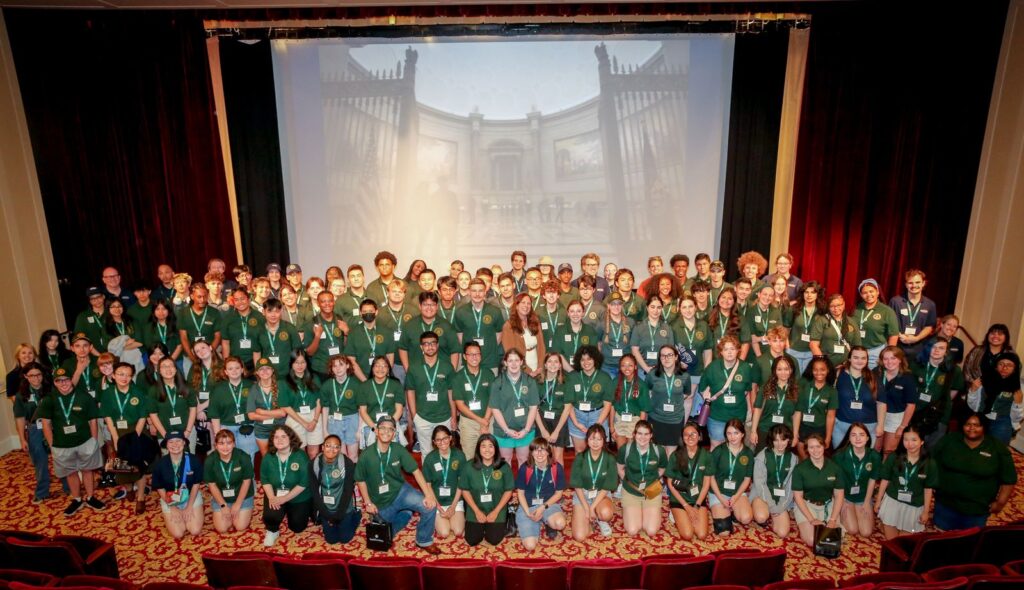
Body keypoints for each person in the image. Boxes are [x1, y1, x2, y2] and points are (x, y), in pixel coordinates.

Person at [355, 416, 440, 554]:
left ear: (394, 434)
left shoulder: (398, 449)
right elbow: (360, 480)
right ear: (376, 431)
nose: (386, 432)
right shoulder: (366, 455)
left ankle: (423, 540)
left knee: (430, 506)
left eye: (390, 429)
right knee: (383, 535)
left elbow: (416, 471)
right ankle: (406, 512)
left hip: (401, 492)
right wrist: (368, 502)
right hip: (380, 502)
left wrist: (429, 495)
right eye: (382, 428)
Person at [932, 413, 1017, 530]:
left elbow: (1009, 479)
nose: (972, 428)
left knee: (969, 541)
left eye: (977, 425)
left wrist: (1000, 503)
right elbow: (931, 463)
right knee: (940, 537)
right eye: (968, 424)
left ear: (984, 428)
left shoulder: (997, 448)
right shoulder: (949, 440)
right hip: (946, 504)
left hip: (976, 509)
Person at [100, 362, 151, 505]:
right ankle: (129, 489)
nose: (125, 378)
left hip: (137, 431)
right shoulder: (108, 394)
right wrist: (115, 437)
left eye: (128, 375)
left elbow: (143, 416)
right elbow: (108, 417)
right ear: (114, 375)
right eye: (121, 374)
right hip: (118, 431)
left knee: (138, 464)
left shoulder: (138, 392)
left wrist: (134, 438)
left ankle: (140, 497)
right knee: (121, 464)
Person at [876, 424, 937, 539]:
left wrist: (925, 511)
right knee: (892, 542)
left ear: (922, 441)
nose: (909, 444)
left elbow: (928, 489)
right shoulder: (894, 457)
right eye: (906, 440)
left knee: (903, 544)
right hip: (893, 502)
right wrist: (878, 501)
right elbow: (885, 480)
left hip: (914, 506)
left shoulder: (930, 463)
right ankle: (885, 524)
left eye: (914, 440)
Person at [405, 331, 457, 454]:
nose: (430, 347)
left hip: (445, 417)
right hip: (423, 417)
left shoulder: (447, 366)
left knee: (446, 451)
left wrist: (453, 415)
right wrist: (414, 416)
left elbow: (451, 392)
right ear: (421, 347)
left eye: (433, 343)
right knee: (426, 453)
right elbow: (410, 392)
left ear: (437, 345)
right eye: (426, 344)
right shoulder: (414, 367)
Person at [260, 425, 312, 546]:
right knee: (271, 516)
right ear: (272, 440)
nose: (280, 440)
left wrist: (284, 499)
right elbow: (264, 479)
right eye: (276, 437)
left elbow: (303, 483)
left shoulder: (301, 456)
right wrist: (272, 498)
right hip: (276, 494)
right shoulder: (268, 457)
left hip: (299, 496)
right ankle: (272, 531)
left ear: (291, 438)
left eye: (284, 436)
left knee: (297, 527)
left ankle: (293, 510)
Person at [791, 433, 845, 546]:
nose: (815, 450)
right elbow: (798, 497)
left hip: (828, 505)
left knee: (834, 538)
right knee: (812, 540)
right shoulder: (799, 469)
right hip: (807, 505)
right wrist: (811, 519)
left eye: (818, 446)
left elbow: (839, 495)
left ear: (824, 447)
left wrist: (833, 519)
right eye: (811, 447)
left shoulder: (835, 468)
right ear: (806, 449)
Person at [699, 336, 754, 447]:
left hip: (738, 416)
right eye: (726, 349)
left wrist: (750, 411)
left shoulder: (746, 368)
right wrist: (707, 398)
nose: (729, 352)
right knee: (716, 446)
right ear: (721, 352)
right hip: (717, 416)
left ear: (738, 350)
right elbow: (702, 388)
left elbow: (747, 391)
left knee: (735, 446)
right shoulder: (712, 367)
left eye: (732, 349)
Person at [910, 337, 965, 449]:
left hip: (940, 415)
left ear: (946, 352)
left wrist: (939, 402)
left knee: (933, 449)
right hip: (916, 412)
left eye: (941, 348)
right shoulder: (917, 365)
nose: (936, 350)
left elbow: (954, 390)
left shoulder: (954, 370)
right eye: (933, 347)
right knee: (914, 447)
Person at [515, 437, 568, 549]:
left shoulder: (556, 468)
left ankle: (546, 520)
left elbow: (558, 494)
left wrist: (542, 507)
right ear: (531, 452)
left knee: (560, 523)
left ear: (548, 452)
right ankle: (540, 521)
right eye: (536, 450)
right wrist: (528, 513)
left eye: (543, 449)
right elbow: (520, 493)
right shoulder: (525, 468)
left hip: (548, 504)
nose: (539, 453)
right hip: (528, 506)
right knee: (530, 546)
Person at [489, 348, 540, 464]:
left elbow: (533, 408)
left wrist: (526, 430)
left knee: (524, 461)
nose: (513, 364)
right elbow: (495, 409)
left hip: (525, 431)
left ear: (522, 362)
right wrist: (507, 430)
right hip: (503, 432)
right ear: (505, 363)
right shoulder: (497, 382)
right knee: (505, 462)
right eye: (510, 360)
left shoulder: (530, 381)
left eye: (517, 360)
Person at [616, 420, 667, 537]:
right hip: (631, 492)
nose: (642, 437)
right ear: (634, 434)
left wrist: (651, 481)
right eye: (639, 433)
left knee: (651, 531)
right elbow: (620, 469)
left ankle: (644, 511)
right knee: (633, 530)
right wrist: (630, 482)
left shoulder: (659, 451)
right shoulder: (626, 449)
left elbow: (662, 469)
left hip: (652, 492)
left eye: (646, 434)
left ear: (651, 435)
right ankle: (634, 510)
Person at [151, 431, 204, 538]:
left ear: (184, 443)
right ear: (166, 445)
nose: (175, 445)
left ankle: (191, 511)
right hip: (169, 497)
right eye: (171, 442)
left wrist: (189, 507)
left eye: (178, 441)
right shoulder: (160, 464)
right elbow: (160, 488)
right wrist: (172, 507)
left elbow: (196, 484)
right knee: (178, 533)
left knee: (195, 530)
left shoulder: (194, 460)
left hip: (190, 496)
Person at [834, 422, 882, 538]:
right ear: (849, 438)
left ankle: (861, 510)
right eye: (853, 435)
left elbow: (872, 480)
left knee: (866, 532)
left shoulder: (874, 456)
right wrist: (842, 501)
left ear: (867, 438)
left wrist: (866, 502)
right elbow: (836, 482)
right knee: (852, 529)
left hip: (863, 497)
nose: (858, 438)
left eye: (861, 434)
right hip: (846, 497)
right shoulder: (840, 456)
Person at [310, 434, 360, 544]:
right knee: (331, 540)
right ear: (322, 447)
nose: (332, 449)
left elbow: (348, 491)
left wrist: (338, 515)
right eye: (328, 445)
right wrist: (326, 514)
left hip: (343, 507)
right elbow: (314, 491)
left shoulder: (347, 463)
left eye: (336, 447)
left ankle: (356, 515)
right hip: (325, 508)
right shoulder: (314, 464)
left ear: (339, 449)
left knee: (344, 539)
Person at [666, 422, 712, 541]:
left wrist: (696, 506)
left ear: (700, 436)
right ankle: (676, 514)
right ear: (682, 437)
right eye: (686, 435)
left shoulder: (706, 455)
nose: (690, 437)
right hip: (680, 499)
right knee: (687, 534)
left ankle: (686, 516)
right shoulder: (675, 456)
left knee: (701, 535)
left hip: (697, 499)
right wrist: (686, 506)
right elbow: (670, 484)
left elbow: (706, 484)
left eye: (693, 434)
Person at [708, 419, 754, 535]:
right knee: (724, 531)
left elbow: (747, 479)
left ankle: (731, 511)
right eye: (729, 433)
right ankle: (720, 509)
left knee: (746, 518)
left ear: (742, 434)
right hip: (718, 492)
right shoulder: (718, 451)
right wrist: (721, 498)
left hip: (736, 492)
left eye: (736, 433)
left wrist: (736, 496)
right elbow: (711, 477)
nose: (732, 437)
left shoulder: (748, 453)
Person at [751, 424, 797, 539]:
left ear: (788, 440)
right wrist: (771, 505)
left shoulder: (793, 458)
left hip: (782, 497)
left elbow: (791, 486)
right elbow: (760, 484)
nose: (780, 444)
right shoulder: (762, 456)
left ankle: (775, 516)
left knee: (783, 533)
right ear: (771, 441)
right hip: (761, 494)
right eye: (776, 440)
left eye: (783, 440)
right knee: (761, 516)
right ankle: (767, 512)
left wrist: (782, 506)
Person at [14, 363, 52, 503]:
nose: (36, 379)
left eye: (38, 375)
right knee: (39, 460)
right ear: (25, 376)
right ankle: (42, 492)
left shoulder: (50, 390)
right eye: (32, 376)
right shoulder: (21, 395)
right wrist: (22, 439)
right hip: (34, 428)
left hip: (52, 426)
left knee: (60, 457)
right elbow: (20, 418)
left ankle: (68, 487)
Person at [208, 356, 257, 461]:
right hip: (226, 427)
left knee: (247, 457)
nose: (234, 371)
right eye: (230, 369)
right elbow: (214, 415)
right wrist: (218, 436)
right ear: (225, 371)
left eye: (237, 368)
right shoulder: (218, 389)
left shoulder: (252, 386)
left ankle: (248, 478)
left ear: (242, 369)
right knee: (228, 458)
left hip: (247, 426)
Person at [205, 429, 254, 534]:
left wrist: (238, 504)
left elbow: (246, 482)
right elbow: (212, 485)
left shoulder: (243, 457)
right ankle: (229, 510)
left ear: (234, 444)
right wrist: (223, 505)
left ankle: (242, 509)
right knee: (222, 528)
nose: (225, 447)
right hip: (222, 497)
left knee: (240, 526)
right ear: (216, 445)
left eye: (229, 443)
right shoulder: (210, 460)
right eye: (221, 443)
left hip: (242, 495)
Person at [566, 345, 613, 453]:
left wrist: (598, 423)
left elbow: (608, 404)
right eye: (582, 359)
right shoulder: (572, 377)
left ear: (595, 359)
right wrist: (576, 423)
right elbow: (569, 404)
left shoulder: (604, 377)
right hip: (577, 416)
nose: (586, 362)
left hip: (598, 416)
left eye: (589, 359)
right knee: (580, 451)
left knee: (598, 450)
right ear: (578, 361)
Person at [422, 425, 466, 540]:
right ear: (434, 442)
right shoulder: (430, 459)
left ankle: (454, 515)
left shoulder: (459, 455)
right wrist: (439, 507)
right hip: (437, 502)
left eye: (445, 438)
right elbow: (428, 486)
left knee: (458, 531)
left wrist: (453, 506)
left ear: (450, 438)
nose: (442, 442)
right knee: (445, 532)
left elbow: (461, 483)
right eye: (438, 439)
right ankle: (437, 516)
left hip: (455, 501)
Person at [454, 279, 506, 375]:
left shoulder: (495, 311)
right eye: (474, 291)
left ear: (485, 291)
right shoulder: (460, 312)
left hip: (490, 361)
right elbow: (460, 336)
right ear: (469, 292)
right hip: (469, 361)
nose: (477, 294)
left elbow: (499, 334)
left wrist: (488, 347)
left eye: (480, 291)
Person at [646, 345, 691, 456]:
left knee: (671, 454)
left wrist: (673, 400)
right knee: (658, 453)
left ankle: (668, 473)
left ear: (676, 357)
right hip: (656, 418)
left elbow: (686, 393)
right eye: (663, 356)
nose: (666, 358)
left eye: (670, 355)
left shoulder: (684, 375)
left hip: (675, 419)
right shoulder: (653, 374)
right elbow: (648, 390)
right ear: (659, 358)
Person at [452, 341, 494, 459]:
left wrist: (485, 420)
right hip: (468, 423)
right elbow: (460, 405)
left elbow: (493, 399)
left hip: (488, 420)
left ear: (481, 355)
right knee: (469, 456)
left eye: (477, 354)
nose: (474, 357)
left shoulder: (488, 374)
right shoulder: (458, 377)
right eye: (470, 354)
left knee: (489, 455)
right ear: (464, 357)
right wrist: (480, 421)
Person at [833, 346, 881, 449]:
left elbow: (881, 403)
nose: (859, 361)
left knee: (863, 460)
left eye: (863, 358)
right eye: (856, 357)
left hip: (868, 426)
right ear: (849, 358)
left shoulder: (874, 377)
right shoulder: (838, 374)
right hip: (842, 425)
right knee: (840, 458)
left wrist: (880, 425)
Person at [750, 356, 799, 452]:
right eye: (779, 369)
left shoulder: (796, 389)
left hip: (785, 433)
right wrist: (753, 431)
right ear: (774, 370)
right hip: (765, 430)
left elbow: (797, 413)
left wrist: (795, 434)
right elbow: (758, 409)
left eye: (786, 369)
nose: (783, 372)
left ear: (791, 370)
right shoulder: (766, 387)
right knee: (761, 460)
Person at [877, 346, 919, 457]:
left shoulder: (908, 378)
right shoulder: (876, 373)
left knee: (888, 451)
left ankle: (884, 474)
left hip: (895, 418)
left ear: (900, 359)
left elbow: (911, 405)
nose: (889, 362)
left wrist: (902, 427)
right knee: (875, 449)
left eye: (893, 358)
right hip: (876, 415)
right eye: (885, 359)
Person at [281, 350, 323, 458]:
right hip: (295, 417)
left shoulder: (314, 378)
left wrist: (314, 420)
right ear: (291, 364)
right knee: (299, 452)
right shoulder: (284, 382)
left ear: (307, 363)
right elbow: (285, 406)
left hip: (315, 416)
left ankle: (313, 473)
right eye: (296, 362)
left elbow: (319, 401)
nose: (300, 365)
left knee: (313, 452)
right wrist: (303, 423)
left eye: (303, 362)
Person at [148, 356, 197, 448]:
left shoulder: (187, 387)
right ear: (159, 371)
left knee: (188, 460)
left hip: (187, 431)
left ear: (175, 369)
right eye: (164, 366)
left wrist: (188, 431)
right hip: (165, 433)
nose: (168, 369)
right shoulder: (153, 390)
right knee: (168, 461)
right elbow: (153, 414)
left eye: (171, 365)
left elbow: (193, 409)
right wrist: (165, 435)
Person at [357, 356, 406, 447]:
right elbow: (363, 412)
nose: (380, 369)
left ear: (388, 370)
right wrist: (375, 428)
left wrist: (388, 426)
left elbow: (399, 410)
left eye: (384, 366)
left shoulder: (396, 385)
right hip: (371, 424)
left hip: (391, 423)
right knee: (373, 456)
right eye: (377, 366)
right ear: (372, 368)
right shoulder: (364, 386)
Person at [889, 270, 937, 360]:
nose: (914, 285)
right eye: (910, 283)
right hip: (898, 346)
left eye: (917, 282)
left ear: (923, 283)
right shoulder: (896, 301)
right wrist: (900, 336)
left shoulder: (930, 304)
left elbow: (929, 326)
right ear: (906, 285)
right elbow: (890, 324)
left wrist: (916, 338)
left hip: (919, 349)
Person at [795, 357, 838, 456]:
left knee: (817, 455)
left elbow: (831, 416)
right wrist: (795, 432)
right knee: (802, 454)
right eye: (815, 369)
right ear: (812, 370)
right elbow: (798, 411)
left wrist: (828, 437)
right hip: (803, 426)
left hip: (820, 428)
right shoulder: (804, 386)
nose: (819, 372)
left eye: (822, 369)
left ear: (827, 370)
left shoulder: (832, 391)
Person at [322, 354, 360, 462]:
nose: (338, 368)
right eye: (334, 366)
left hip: (352, 419)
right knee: (341, 455)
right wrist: (325, 430)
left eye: (341, 365)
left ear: (347, 366)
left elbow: (361, 409)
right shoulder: (327, 385)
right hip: (334, 421)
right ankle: (343, 477)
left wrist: (359, 429)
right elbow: (325, 408)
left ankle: (352, 478)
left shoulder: (356, 384)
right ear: (331, 369)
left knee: (353, 456)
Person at [672, 296, 712, 396]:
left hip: (699, 370)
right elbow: (669, 351)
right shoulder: (673, 326)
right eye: (684, 307)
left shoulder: (703, 325)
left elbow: (708, 351)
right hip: (680, 371)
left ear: (695, 307)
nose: (688, 310)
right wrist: (678, 363)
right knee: (686, 398)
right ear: (679, 309)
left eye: (690, 306)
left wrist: (706, 371)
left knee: (703, 397)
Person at [854, 279, 899, 368]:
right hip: (857, 352)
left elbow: (894, 335)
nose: (868, 295)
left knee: (873, 380)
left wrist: (887, 355)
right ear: (861, 295)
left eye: (871, 291)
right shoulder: (856, 309)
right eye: (864, 293)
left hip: (876, 353)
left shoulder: (887, 311)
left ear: (878, 292)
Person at [536, 352, 571, 465]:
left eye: (556, 362)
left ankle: (558, 482)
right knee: (543, 455)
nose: (553, 364)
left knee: (557, 456)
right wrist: (543, 430)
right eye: (549, 361)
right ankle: (545, 481)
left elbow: (567, 409)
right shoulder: (537, 381)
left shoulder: (566, 382)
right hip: (542, 420)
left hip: (559, 421)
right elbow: (534, 408)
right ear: (545, 365)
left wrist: (556, 432)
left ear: (560, 365)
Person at [248, 357, 288, 456]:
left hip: (280, 427)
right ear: (257, 372)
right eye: (261, 369)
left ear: (272, 370)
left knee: (283, 454)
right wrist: (275, 414)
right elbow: (251, 415)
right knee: (266, 457)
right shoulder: (254, 389)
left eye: (268, 368)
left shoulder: (281, 386)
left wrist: (262, 412)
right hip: (262, 429)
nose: (265, 371)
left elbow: (283, 412)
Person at [501, 292, 546, 377]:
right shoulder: (509, 326)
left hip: (537, 365)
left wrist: (540, 367)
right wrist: (527, 370)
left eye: (529, 303)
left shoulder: (535, 322)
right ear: (517, 306)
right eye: (523, 302)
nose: (526, 306)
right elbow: (510, 352)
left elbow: (541, 346)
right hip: (519, 368)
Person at [610, 355, 650, 449]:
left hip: (635, 421)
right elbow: (612, 406)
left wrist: (640, 430)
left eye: (630, 365)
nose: (627, 368)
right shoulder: (615, 382)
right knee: (621, 451)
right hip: (619, 419)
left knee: (632, 451)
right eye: (623, 365)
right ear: (620, 367)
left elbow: (643, 411)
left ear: (635, 367)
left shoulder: (642, 385)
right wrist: (611, 427)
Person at [631, 294, 675, 377]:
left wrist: (661, 367)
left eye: (659, 307)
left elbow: (670, 352)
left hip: (662, 371)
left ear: (662, 308)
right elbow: (635, 351)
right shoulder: (638, 327)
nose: (655, 310)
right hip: (642, 372)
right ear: (647, 308)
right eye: (652, 307)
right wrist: (647, 368)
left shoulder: (667, 328)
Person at [786, 281, 825, 373]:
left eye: (813, 292)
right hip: (794, 352)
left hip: (812, 353)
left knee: (807, 382)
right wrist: (787, 349)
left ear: (817, 294)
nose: (809, 295)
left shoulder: (822, 311)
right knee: (794, 382)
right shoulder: (794, 309)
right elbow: (786, 330)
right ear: (802, 294)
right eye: (806, 292)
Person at [553, 300, 599, 371]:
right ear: (568, 313)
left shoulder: (590, 331)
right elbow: (558, 354)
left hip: (584, 372)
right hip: (564, 372)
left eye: (578, 311)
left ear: (583, 313)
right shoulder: (560, 331)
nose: (575, 314)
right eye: (572, 311)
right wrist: (571, 371)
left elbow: (593, 355)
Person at [599, 293, 634, 378]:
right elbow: (598, 344)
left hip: (626, 366)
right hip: (607, 366)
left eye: (619, 303)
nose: (616, 307)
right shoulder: (601, 324)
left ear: (622, 305)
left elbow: (634, 345)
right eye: (613, 304)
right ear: (608, 306)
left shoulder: (631, 322)